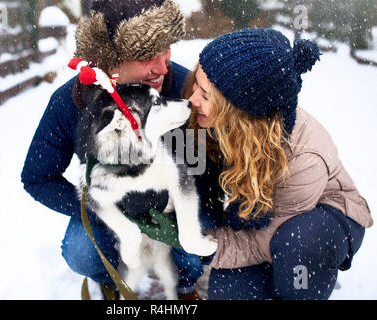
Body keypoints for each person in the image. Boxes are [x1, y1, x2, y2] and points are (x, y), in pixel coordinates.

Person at [133, 28, 373, 300]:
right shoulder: (224, 126)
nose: (191, 100)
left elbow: (263, 243)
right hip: (262, 219)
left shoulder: (304, 159)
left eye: (206, 95)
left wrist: (199, 243)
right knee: (228, 293)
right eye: (196, 85)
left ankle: (304, 282)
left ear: (239, 112)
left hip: (323, 220)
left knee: (298, 250)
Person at [21, 0, 207, 300]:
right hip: (111, 207)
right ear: (109, 60)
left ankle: (186, 284)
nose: (163, 67)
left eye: (166, 48)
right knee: (79, 250)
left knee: (206, 226)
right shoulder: (68, 104)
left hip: (172, 206)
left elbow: (219, 160)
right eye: (147, 54)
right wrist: (100, 209)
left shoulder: (185, 89)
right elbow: (37, 177)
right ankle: (111, 277)